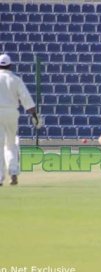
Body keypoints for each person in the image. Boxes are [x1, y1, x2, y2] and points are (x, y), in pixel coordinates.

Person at [0, 53, 41, 186]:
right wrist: (34, 115)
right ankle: (13, 172)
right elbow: (26, 98)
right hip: (12, 113)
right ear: (10, 65)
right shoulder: (15, 79)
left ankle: (0, 177)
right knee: (10, 144)